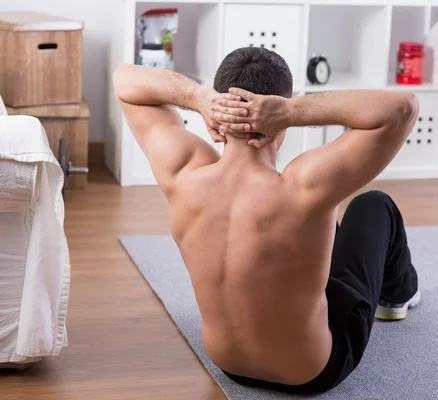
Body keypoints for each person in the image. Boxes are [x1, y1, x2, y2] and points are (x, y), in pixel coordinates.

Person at [113, 47, 420, 395]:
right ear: (278, 116)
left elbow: (124, 79)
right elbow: (402, 108)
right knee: (373, 206)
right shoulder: (306, 187)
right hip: (313, 372)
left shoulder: (184, 172)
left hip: (230, 366)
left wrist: (197, 97)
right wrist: (291, 112)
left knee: (318, 232)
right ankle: (398, 298)